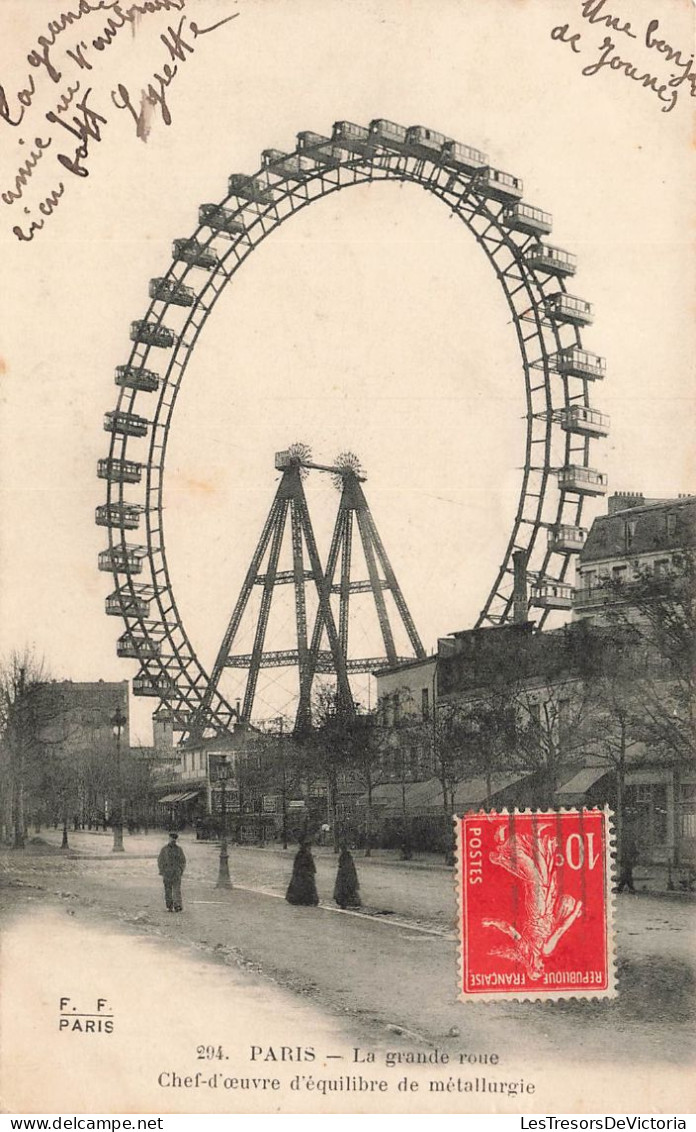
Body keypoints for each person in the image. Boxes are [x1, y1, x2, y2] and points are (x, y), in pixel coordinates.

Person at [158, 831, 187, 912]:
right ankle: (169, 906)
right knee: (168, 890)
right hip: (167, 872)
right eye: (171, 838)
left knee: (177, 889)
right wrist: (162, 870)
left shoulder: (179, 850)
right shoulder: (164, 849)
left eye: (174, 839)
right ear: (169, 838)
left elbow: (183, 861)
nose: (172, 840)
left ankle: (177, 905)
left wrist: (180, 870)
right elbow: (160, 860)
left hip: (176, 872)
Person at [617, 826, 638, 893]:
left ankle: (622, 888)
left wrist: (633, 858)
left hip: (628, 860)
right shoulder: (625, 842)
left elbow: (634, 851)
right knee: (627, 874)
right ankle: (629, 888)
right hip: (626, 860)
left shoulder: (629, 842)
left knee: (626, 874)